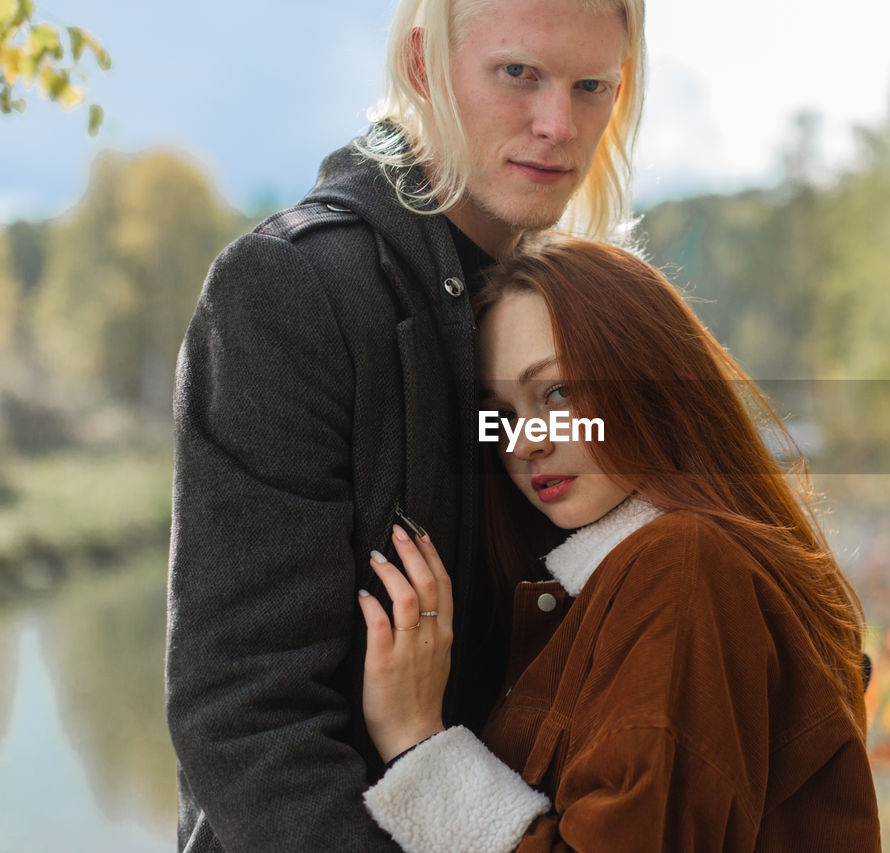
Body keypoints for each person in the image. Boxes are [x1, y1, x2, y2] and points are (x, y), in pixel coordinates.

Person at [165, 0, 646, 849]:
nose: (557, 124)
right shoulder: (292, 291)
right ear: (424, 66)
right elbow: (247, 721)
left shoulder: (579, 305)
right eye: (518, 73)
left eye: (591, 86)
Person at [355, 238, 882, 851]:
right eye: (499, 413)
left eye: (557, 392)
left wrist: (418, 743)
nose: (524, 445)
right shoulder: (619, 578)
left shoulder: (684, 565)